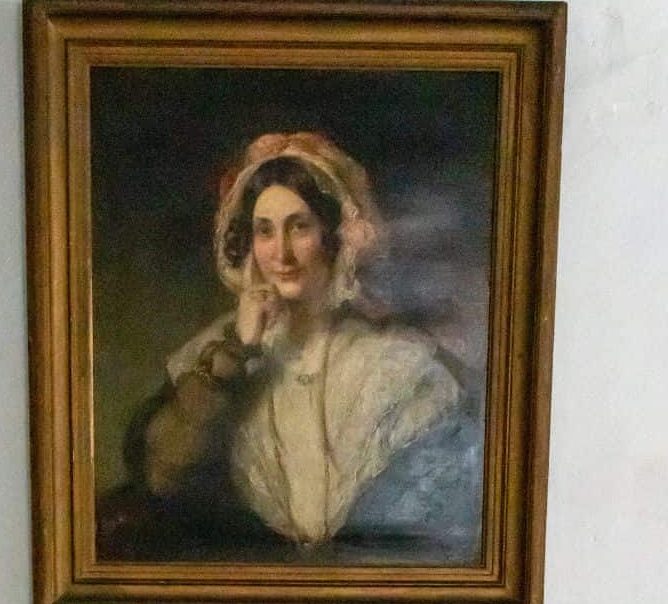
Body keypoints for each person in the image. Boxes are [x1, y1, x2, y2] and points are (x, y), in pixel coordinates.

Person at [100, 131, 482, 562]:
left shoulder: (393, 365)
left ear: (334, 236)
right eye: (265, 231)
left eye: (299, 227)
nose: (280, 252)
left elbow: (434, 521)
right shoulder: (218, 356)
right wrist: (237, 353)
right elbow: (163, 480)